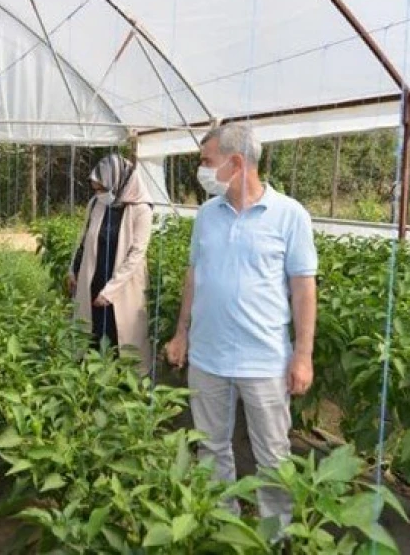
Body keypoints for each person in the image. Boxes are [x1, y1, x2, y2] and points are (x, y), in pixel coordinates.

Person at [164, 122, 318, 530]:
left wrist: (302, 355)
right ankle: (221, 524)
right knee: (211, 448)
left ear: (235, 162)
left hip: (265, 360)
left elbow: (304, 289)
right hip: (208, 356)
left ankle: (275, 535)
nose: (201, 169)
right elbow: (194, 276)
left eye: (206, 161)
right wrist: (182, 333)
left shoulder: (289, 215)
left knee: (272, 456)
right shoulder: (207, 215)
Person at [67, 153, 154, 377]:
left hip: (123, 285)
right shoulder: (97, 204)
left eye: (101, 188)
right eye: (96, 189)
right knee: (93, 331)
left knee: (121, 334)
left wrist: (111, 290)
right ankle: (94, 381)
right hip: (94, 277)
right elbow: (84, 237)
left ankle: (127, 385)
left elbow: (137, 253)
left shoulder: (141, 209)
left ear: (117, 181)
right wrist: (73, 269)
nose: (99, 193)